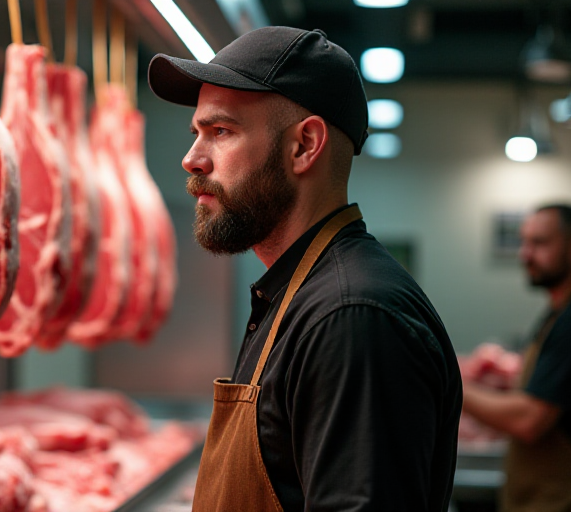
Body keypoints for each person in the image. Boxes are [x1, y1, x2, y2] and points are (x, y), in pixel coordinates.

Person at [147, 26, 462, 511]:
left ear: (304, 145)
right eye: (197, 134)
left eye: (221, 131)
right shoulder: (301, 296)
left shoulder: (352, 314)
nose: (192, 159)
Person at [462, 205, 571, 512]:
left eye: (539, 243)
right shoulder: (561, 311)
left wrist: (453, 386)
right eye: (524, 242)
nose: (525, 254)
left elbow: (530, 420)